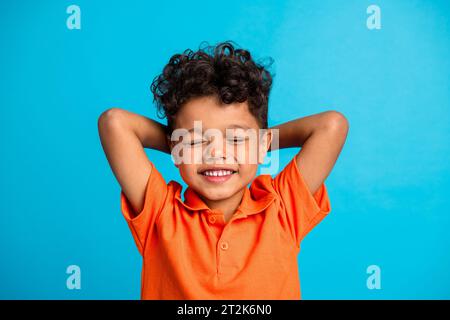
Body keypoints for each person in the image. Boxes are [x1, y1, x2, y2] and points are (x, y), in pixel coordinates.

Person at [98, 41, 349, 299]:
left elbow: (331, 126)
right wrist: (181, 144)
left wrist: (256, 144)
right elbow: (114, 123)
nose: (216, 153)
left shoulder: (282, 208)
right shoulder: (160, 213)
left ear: (263, 144)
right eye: (197, 140)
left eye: (236, 139)